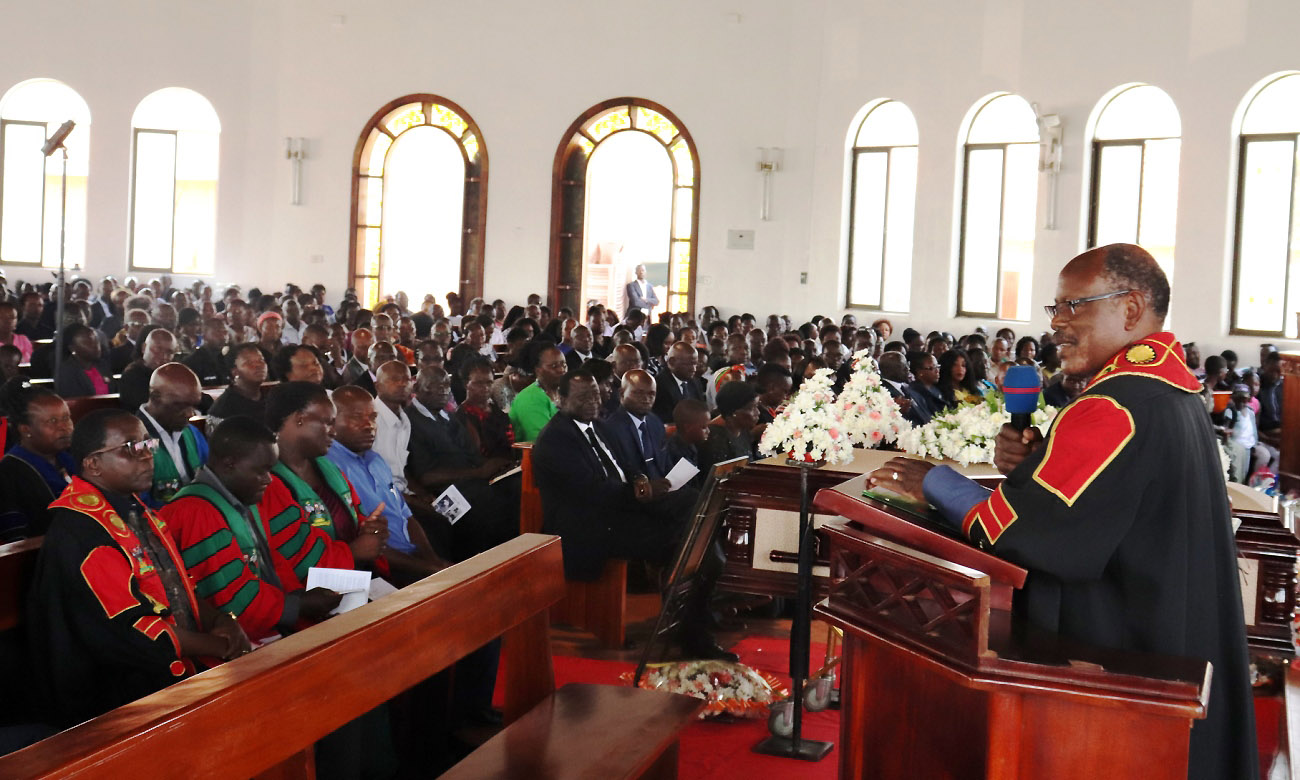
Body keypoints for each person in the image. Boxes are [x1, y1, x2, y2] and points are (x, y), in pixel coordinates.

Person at [866, 244, 1256, 779]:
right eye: (1056, 308)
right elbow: (1105, 503)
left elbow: (1033, 532)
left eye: (1075, 306)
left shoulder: (1112, 404)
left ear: (1131, 307)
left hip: (1119, 657)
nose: (1058, 325)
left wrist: (934, 482)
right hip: (1169, 630)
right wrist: (1032, 467)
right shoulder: (1171, 391)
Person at [27, 409, 251, 727]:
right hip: (119, 699)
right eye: (132, 448)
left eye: (149, 445)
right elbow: (128, 630)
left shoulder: (135, 508)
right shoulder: (82, 530)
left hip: (169, 667)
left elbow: (175, 587)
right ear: (93, 464)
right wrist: (221, 646)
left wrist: (223, 620)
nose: (147, 457)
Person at [532, 370, 731, 659]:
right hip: (588, 527)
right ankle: (693, 630)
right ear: (560, 399)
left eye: (596, 394)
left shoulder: (596, 427)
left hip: (619, 511)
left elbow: (625, 466)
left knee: (694, 514)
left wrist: (640, 480)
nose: (592, 401)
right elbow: (591, 491)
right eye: (583, 397)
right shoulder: (556, 439)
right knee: (690, 546)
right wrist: (641, 491)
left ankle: (692, 617)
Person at [163, 416, 342, 642]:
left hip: (270, 625)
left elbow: (268, 565)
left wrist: (299, 596)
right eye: (261, 470)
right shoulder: (195, 513)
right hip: (237, 642)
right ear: (229, 464)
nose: (269, 480)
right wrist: (298, 606)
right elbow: (231, 600)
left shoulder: (239, 497)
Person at [256, 382, 389, 592]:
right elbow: (292, 562)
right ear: (299, 419)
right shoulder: (266, 483)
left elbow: (356, 515)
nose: (334, 432)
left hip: (359, 581)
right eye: (327, 423)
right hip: (317, 600)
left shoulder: (327, 467)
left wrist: (369, 528)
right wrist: (354, 551)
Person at [326, 386, 448, 585]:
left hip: (410, 556)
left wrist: (431, 559)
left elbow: (405, 516)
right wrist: (429, 569)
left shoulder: (376, 460)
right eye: (357, 417)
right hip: (381, 567)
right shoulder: (332, 467)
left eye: (373, 417)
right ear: (331, 421)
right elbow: (369, 545)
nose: (369, 425)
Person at [407, 366, 519, 561]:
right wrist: (479, 473)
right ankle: (491, 565)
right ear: (417, 388)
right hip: (442, 492)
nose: (443, 390)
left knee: (515, 486)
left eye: (446, 385)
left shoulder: (448, 417)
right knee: (488, 506)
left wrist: (497, 468)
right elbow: (426, 476)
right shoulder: (411, 421)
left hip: (471, 481)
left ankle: (519, 557)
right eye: (434, 385)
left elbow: (473, 457)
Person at [0, 380, 76, 541]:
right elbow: (16, 541)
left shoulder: (72, 458)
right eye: (53, 421)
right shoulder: (9, 472)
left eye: (66, 418)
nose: (65, 427)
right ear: (25, 430)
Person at [137, 363, 208, 507]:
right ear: (155, 397)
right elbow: (136, 502)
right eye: (180, 406)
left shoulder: (192, 434)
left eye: (194, 406)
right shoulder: (136, 440)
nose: (190, 414)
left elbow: (211, 480)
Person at [600, 369, 671, 480]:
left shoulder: (655, 422)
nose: (646, 399)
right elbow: (620, 474)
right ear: (622, 393)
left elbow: (665, 462)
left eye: (651, 394)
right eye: (638, 393)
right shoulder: (611, 429)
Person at [457, 357, 515, 460]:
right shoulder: (462, 416)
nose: (485, 388)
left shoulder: (496, 411)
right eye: (478, 383)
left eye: (489, 383)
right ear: (466, 384)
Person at [509, 342, 566, 441]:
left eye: (564, 364)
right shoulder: (530, 398)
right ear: (538, 370)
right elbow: (543, 440)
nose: (561, 370)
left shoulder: (564, 392)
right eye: (554, 366)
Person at [698, 380, 760, 470]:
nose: (757, 412)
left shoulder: (744, 431)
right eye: (751, 408)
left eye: (757, 406)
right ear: (734, 412)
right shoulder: (715, 441)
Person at [118, 327, 178, 411]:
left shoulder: (173, 373)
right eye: (158, 349)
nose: (164, 356)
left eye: (169, 352)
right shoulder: (131, 375)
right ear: (144, 348)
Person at [209, 343, 269, 425]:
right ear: (235, 372)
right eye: (249, 362)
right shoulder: (223, 409)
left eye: (261, 360)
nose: (258, 365)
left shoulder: (271, 397)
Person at [55, 323, 113, 398]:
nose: (95, 345)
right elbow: (76, 403)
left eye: (96, 340)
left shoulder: (103, 366)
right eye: (87, 342)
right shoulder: (66, 372)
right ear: (72, 348)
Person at [653, 341, 705, 421]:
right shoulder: (659, 385)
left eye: (695, 364)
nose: (693, 369)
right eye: (688, 364)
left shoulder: (695, 381)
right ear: (672, 362)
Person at [183, 317, 231, 386]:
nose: (223, 337)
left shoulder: (230, 358)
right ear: (204, 336)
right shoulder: (193, 362)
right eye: (217, 333)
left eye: (225, 332)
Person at [904, 352, 944, 423]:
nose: (937, 371)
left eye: (938, 366)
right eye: (932, 368)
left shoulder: (936, 389)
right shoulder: (914, 392)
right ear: (919, 372)